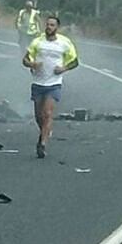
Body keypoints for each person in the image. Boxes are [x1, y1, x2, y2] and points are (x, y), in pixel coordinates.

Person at [22, 14, 78, 159]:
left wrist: (63, 69)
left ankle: (42, 143)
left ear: (57, 28)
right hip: (38, 82)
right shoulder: (37, 42)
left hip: (54, 83)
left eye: (52, 25)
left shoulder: (64, 43)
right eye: (47, 24)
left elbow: (75, 61)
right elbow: (25, 59)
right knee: (38, 116)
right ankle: (45, 131)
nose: (49, 27)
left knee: (47, 113)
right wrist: (32, 64)